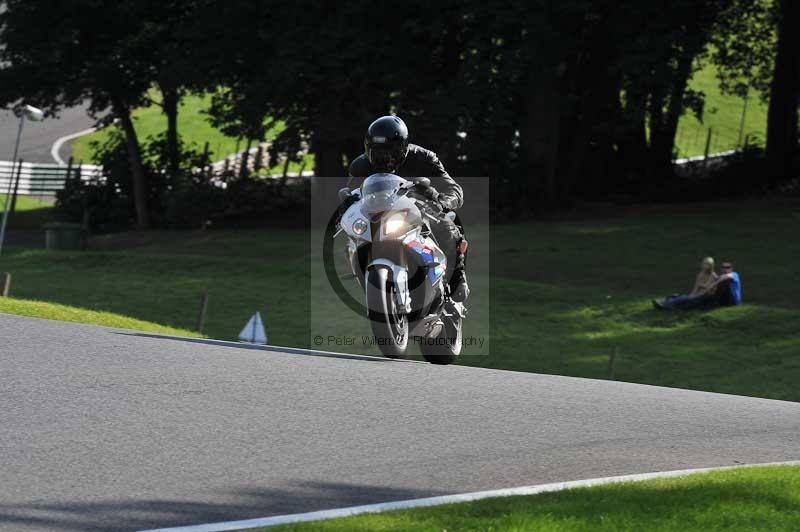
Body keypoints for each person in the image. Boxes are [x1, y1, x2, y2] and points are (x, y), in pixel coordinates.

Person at [347, 115, 469, 303]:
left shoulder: (424, 158)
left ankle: (457, 277)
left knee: (445, 224)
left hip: (418, 210)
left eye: (390, 152)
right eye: (378, 152)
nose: (384, 158)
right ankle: (372, 285)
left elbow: (453, 188)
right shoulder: (360, 166)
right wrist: (345, 205)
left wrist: (443, 202)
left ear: (403, 148)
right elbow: (352, 194)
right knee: (352, 241)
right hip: (379, 215)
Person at [655, 260, 741, 310]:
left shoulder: (734, 274)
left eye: (727, 267)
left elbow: (726, 277)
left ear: (731, 269)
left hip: (732, 301)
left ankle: (670, 302)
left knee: (694, 300)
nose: (725, 269)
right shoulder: (718, 277)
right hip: (720, 300)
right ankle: (669, 303)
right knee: (694, 301)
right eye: (723, 267)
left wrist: (713, 285)